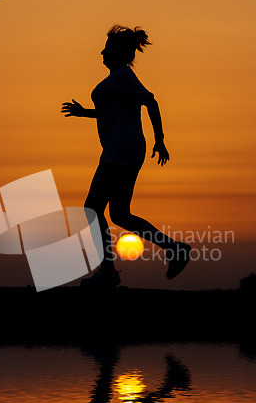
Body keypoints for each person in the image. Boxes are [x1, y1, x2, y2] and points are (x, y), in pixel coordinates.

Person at [61, 25, 191, 287]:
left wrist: (161, 141)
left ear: (118, 53)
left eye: (106, 49)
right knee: (119, 214)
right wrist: (83, 112)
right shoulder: (119, 80)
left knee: (92, 208)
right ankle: (174, 248)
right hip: (122, 150)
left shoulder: (123, 76)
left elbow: (150, 101)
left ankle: (107, 271)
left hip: (121, 151)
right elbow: (112, 111)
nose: (101, 52)